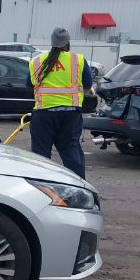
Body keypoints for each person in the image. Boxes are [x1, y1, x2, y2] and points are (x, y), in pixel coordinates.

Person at [26, 27, 94, 178]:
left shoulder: (36, 61)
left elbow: (29, 84)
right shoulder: (78, 60)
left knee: (40, 155)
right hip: (70, 114)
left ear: (52, 42)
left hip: (43, 114)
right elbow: (88, 85)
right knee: (71, 151)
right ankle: (78, 188)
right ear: (67, 43)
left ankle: (41, 188)